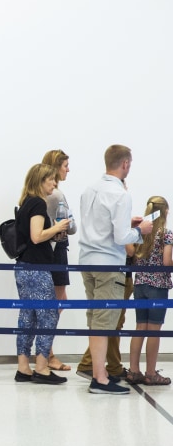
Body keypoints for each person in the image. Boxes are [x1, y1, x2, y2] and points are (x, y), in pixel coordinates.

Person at [78, 144, 152, 394]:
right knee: (105, 322)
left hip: (86, 260)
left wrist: (126, 224)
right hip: (108, 263)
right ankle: (99, 379)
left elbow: (99, 225)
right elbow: (122, 238)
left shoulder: (90, 189)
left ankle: (98, 374)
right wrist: (140, 231)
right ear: (126, 164)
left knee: (95, 320)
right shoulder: (121, 194)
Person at [12, 164, 70, 384]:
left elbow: (32, 238)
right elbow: (36, 236)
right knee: (47, 316)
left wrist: (52, 236)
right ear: (40, 181)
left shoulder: (26, 203)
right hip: (37, 269)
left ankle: (23, 367)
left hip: (24, 268)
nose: (54, 184)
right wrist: (56, 228)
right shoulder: (37, 203)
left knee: (27, 317)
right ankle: (42, 367)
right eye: (50, 180)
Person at [126, 196, 172, 386]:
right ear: (165, 212)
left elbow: (130, 253)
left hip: (140, 285)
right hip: (158, 286)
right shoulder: (166, 234)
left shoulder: (140, 233)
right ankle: (151, 373)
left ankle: (134, 371)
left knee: (140, 328)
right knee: (154, 331)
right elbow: (166, 262)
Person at [41, 149, 77, 371]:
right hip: (56, 249)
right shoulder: (56, 196)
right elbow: (71, 227)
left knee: (54, 301)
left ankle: (45, 351)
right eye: (65, 165)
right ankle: (47, 352)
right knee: (56, 301)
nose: (68, 169)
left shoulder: (41, 194)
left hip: (49, 250)